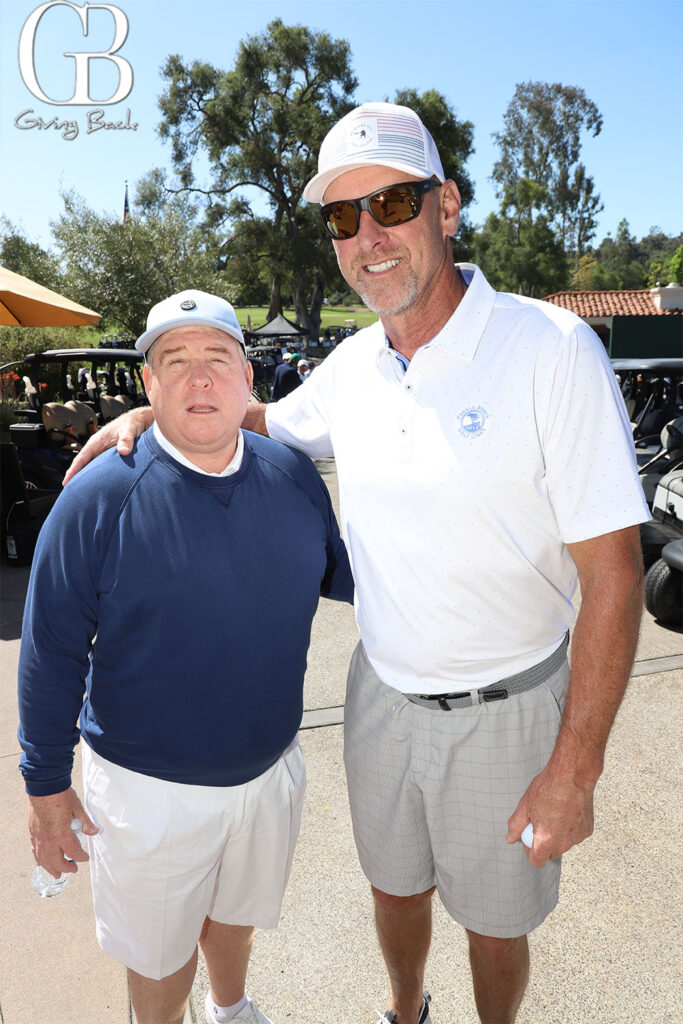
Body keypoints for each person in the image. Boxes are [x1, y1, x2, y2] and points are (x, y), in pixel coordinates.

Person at [63, 102, 649, 1024]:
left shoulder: (551, 350)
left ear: (445, 208)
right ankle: (404, 1012)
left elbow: (614, 576)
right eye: (343, 217)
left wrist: (575, 768)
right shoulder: (352, 366)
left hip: (504, 703)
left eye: (393, 202)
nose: (369, 236)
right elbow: (253, 417)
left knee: (496, 926)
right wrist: (147, 411)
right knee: (393, 889)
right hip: (379, 692)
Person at [19, 290, 353, 1024]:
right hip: (146, 791)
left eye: (217, 360)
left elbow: (354, 578)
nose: (199, 380)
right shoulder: (97, 499)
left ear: (247, 378)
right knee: (157, 952)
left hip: (268, 773)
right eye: (175, 361)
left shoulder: (293, 477)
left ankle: (228, 1008)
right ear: (148, 384)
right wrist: (44, 786)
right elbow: (49, 652)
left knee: (236, 911)